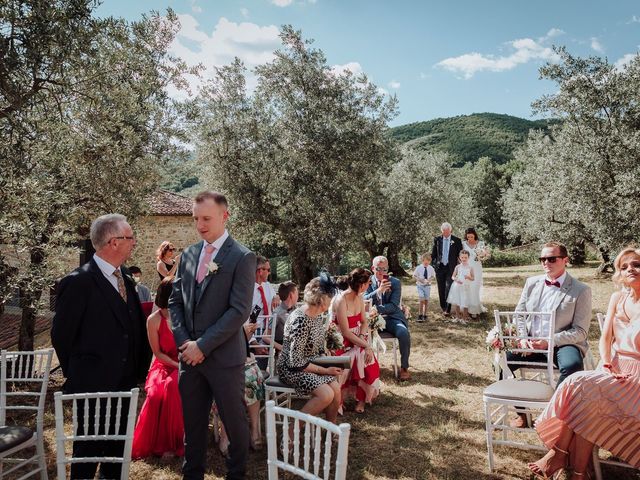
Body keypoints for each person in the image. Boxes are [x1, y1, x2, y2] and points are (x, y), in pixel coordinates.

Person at [51, 213, 151, 479]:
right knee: (88, 449)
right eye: (130, 237)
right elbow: (61, 335)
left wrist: (139, 370)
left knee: (117, 450)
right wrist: (80, 373)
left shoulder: (126, 278)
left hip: (125, 381)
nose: (134, 242)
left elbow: (133, 326)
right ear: (113, 242)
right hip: (92, 384)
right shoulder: (78, 281)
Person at [527, 246, 640, 479]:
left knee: (580, 387)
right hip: (613, 366)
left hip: (636, 377)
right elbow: (605, 338)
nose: (631, 269)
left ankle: (559, 455)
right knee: (585, 397)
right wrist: (607, 363)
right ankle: (578, 471)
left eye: (637, 264)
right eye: (624, 266)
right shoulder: (617, 297)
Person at [169, 191, 255, 480]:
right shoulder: (190, 254)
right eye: (196, 219)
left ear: (224, 216)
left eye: (206, 218)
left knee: (234, 421)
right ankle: (192, 474)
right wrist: (184, 343)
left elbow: (238, 311)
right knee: (192, 425)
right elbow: (175, 302)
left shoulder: (242, 256)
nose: (200, 225)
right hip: (189, 359)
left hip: (224, 358)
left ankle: (236, 474)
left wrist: (202, 346)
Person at [508, 241, 592, 429]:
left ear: (565, 260)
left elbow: (580, 331)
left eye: (551, 258)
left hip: (562, 343)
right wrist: (522, 339)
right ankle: (523, 414)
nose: (546, 262)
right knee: (501, 362)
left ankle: (551, 417)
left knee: (572, 367)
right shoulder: (531, 283)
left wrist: (549, 342)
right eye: (543, 259)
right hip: (530, 343)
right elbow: (519, 315)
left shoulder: (581, 290)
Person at [277, 274, 343, 423]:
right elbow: (296, 362)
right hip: (291, 368)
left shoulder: (317, 315)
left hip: (311, 363)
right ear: (322, 300)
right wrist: (326, 370)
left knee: (336, 390)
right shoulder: (300, 319)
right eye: (330, 299)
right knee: (326, 395)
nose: (331, 302)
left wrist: (330, 360)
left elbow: (317, 349)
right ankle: (291, 432)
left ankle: (330, 429)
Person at [132, 277, 184, 459]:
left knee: (172, 387)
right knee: (155, 395)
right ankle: (157, 443)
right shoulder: (153, 320)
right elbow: (158, 353)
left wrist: (182, 365)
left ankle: (174, 442)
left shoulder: (184, 316)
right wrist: (177, 364)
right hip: (163, 364)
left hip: (184, 364)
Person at [333, 268, 380, 414]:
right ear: (361, 284)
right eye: (368, 283)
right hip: (340, 341)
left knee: (368, 360)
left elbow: (364, 322)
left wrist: (361, 338)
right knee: (354, 357)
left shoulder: (359, 297)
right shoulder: (341, 300)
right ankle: (338, 401)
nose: (369, 285)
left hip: (357, 337)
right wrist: (366, 344)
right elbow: (345, 332)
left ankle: (361, 400)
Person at [364, 256, 412, 381]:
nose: (381, 272)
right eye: (379, 269)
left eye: (385, 269)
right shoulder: (367, 281)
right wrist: (378, 291)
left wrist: (376, 309)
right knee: (360, 335)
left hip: (392, 318)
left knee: (403, 333)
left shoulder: (395, 282)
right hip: (371, 320)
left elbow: (393, 305)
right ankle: (364, 367)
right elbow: (364, 300)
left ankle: (404, 367)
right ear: (373, 268)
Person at [431, 222, 463, 316]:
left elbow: (460, 254)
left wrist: (461, 266)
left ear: (450, 231)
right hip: (440, 267)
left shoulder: (456, 240)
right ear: (442, 231)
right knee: (441, 288)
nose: (445, 234)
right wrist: (433, 264)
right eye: (443, 232)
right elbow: (434, 254)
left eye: (447, 232)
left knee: (448, 288)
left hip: (451, 267)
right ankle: (443, 306)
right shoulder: (437, 239)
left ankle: (447, 309)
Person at [461, 227, 487, 316]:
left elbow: (484, 256)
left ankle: (474, 310)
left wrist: (482, 255)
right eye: (468, 237)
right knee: (468, 288)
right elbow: (460, 255)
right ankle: (467, 308)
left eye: (471, 237)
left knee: (475, 288)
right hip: (467, 268)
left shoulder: (481, 243)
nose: (470, 239)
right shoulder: (463, 244)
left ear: (475, 235)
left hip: (477, 268)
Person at [267, 281, 299, 352]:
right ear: (291, 295)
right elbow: (266, 336)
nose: (298, 296)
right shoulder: (277, 313)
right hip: (283, 354)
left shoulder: (297, 310)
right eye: (297, 293)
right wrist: (281, 348)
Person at [446, 250, 475, 323]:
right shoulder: (457, 267)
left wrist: (468, 277)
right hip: (457, 286)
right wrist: (456, 279)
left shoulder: (470, 267)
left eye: (466, 257)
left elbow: (473, 278)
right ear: (459, 258)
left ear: (468, 258)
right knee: (457, 302)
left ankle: (464, 318)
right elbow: (453, 276)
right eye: (462, 257)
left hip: (466, 286)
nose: (464, 259)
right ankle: (457, 317)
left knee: (465, 302)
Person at [412, 253, 435, 322]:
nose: (426, 262)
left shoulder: (431, 268)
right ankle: (420, 315)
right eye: (425, 260)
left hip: (427, 286)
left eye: (428, 261)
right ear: (422, 260)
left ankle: (425, 315)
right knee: (421, 299)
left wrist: (429, 280)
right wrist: (420, 279)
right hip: (420, 286)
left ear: (430, 261)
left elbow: (433, 276)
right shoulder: (419, 267)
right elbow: (414, 276)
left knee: (426, 301)